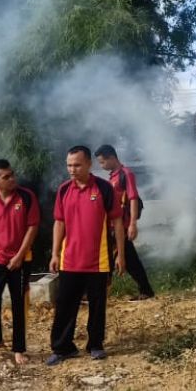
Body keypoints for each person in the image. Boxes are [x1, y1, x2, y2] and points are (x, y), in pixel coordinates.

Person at [48, 146, 125, 365]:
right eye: (69, 165)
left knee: (97, 304)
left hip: (98, 260)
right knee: (65, 305)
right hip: (69, 259)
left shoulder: (104, 188)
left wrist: (120, 254)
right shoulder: (64, 190)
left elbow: (117, 221)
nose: (72, 169)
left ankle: (95, 344)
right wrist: (55, 253)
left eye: (77, 165)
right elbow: (59, 223)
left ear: (89, 164)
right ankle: (62, 348)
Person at [0, 158, 39, 365]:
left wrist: (19, 256)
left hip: (21, 259)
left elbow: (32, 227)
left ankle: (19, 349)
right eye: (6, 176)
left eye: (12, 174)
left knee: (19, 304)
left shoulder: (26, 197)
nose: (12, 178)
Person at [94, 145, 154, 300]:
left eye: (102, 162)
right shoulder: (113, 176)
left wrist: (133, 224)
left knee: (129, 260)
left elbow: (133, 198)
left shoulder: (126, 174)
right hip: (112, 226)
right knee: (108, 258)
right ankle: (102, 292)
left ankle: (146, 291)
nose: (101, 166)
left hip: (123, 226)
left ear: (111, 158)